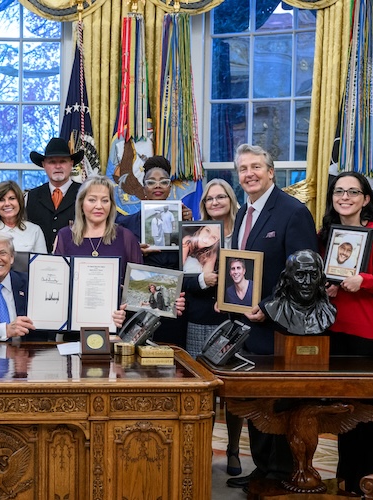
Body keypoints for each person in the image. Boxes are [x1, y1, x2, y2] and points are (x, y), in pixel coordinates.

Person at [227, 144, 316, 490]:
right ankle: (262, 469)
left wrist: (267, 306)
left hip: (279, 328)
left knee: (278, 405)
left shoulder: (293, 212)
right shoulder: (242, 213)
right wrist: (230, 300)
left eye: (255, 167)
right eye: (243, 168)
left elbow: (304, 276)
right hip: (248, 328)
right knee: (257, 402)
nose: (249, 174)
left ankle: (281, 475)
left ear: (270, 172)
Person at [317, 171, 373, 494]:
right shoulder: (326, 235)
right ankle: (348, 482)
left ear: (365, 199)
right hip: (335, 333)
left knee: (370, 416)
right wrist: (328, 288)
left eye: (352, 192)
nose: (345, 197)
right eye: (339, 191)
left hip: (370, 337)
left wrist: (363, 281)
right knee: (345, 414)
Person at [0, 232, 127, 341]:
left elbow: (69, 311)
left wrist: (107, 315)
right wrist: (5, 330)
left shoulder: (34, 283)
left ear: (12, 258)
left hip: (30, 359)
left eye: (3, 253)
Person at [181, 179, 243, 476]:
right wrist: (203, 280)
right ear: (203, 204)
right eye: (209, 199)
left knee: (234, 391)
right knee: (202, 390)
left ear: (231, 200)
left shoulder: (243, 233)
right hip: (199, 318)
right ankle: (202, 446)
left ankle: (233, 449)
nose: (215, 202)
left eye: (221, 197)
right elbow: (182, 279)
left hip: (233, 321)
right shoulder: (194, 236)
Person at [115, 156, 192, 346]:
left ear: (170, 188)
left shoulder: (185, 219)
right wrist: (135, 251)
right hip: (139, 301)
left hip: (173, 301)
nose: (157, 186)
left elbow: (191, 259)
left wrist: (189, 226)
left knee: (171, 352)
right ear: (143, 188)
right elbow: (116, 259)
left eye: (163, 182)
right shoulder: (125, 224)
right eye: (151, 182)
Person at [53, 175, 142, 283]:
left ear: (111, 205)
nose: (99, 206)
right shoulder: (65, 236)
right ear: (81, 203)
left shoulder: (126, 237)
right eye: (92, 200)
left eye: (105, 200)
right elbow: (57, 282)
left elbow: (137, 283)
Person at [26, 137, 84, 251]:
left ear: (71, 163)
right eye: (52, 162)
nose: (58, 166)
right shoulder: (31, 197)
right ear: (44, 165)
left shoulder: (84, 194)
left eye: (63, 161)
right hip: (39, 260)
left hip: (75, 258)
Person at [261, 250, 336, 336]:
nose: (308, 281)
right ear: (287, 279)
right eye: (300, 275)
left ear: (321, 279)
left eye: (314, 275)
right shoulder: (274, 309)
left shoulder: (328, 313)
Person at [0, 180, 47, 253]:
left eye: (12, 198)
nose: (7, 204)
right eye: (1, 200)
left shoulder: (35, 230)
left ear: (20, 202)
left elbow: (41, 260)